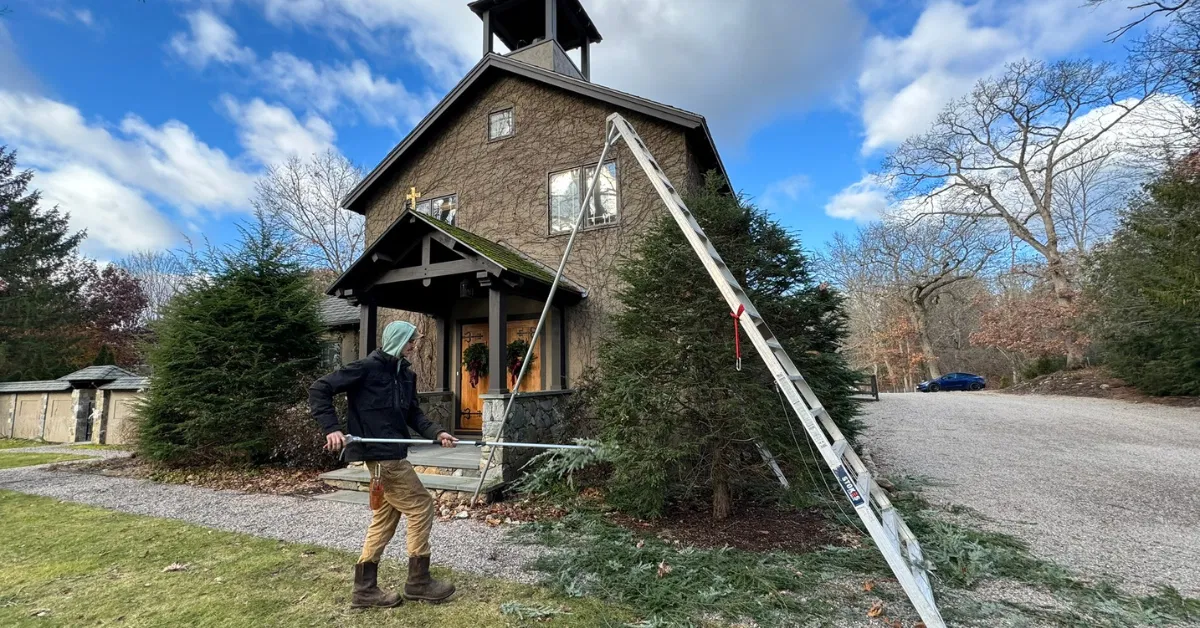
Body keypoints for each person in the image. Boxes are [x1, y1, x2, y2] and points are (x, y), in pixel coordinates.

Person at [309, 321, 459, 608]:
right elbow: (320, 388)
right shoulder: (365, 368)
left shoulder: (406, 375)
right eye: (411, 341)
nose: (415, 346)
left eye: (415, 341)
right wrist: (332, 428)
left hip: (395, 453)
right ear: (398, 340)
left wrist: (437, 432)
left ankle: (364, 589)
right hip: (381, 457)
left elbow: (413, 414)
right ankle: (419, 582)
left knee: (385, 518)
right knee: (421, 505)